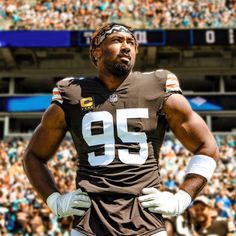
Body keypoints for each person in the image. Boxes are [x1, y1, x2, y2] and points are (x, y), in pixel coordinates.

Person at [23, 23, 219, 236]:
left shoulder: (157, 85)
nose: (126, 47)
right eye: (117, 40)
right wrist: (55, 200)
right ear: (96, 51)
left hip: (145, 220)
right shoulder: (72, 92)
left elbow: (206, 146)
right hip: (90, 222)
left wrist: (182, 197)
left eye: (131, 43)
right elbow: (33, 155)